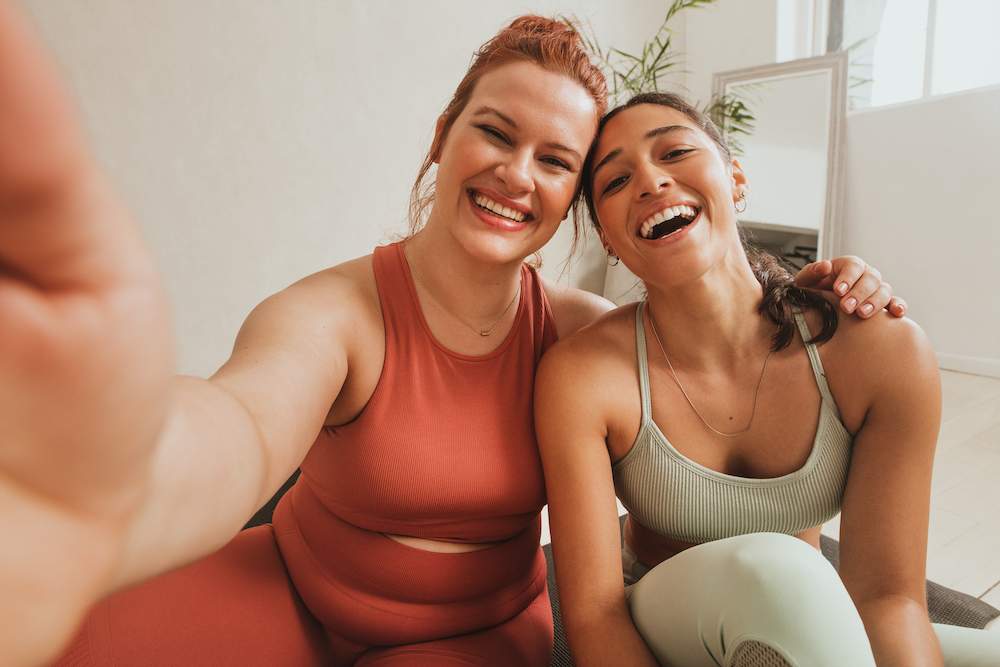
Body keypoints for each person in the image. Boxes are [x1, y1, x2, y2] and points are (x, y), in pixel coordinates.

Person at [0, 5, 901, 665]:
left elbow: (723, 344)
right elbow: (237, 428)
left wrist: (824, 289)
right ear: (443, 137)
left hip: (473, 636)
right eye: (495, 134)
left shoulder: (586, 339)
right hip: (287, 587)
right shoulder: (332, 312)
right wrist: (118, 475)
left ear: (574, 203)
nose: (517, 174)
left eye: (555, 162)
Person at [535, 91, 1000, 667]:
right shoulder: (583, 377)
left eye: (675, 151)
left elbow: (886, 598)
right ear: (607, 237)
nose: (651, 182)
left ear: (735, 180)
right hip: (665, 625)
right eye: (615, 181)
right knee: (782, 572)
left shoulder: (878, 349)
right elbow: (594, 617)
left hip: (808, 618)